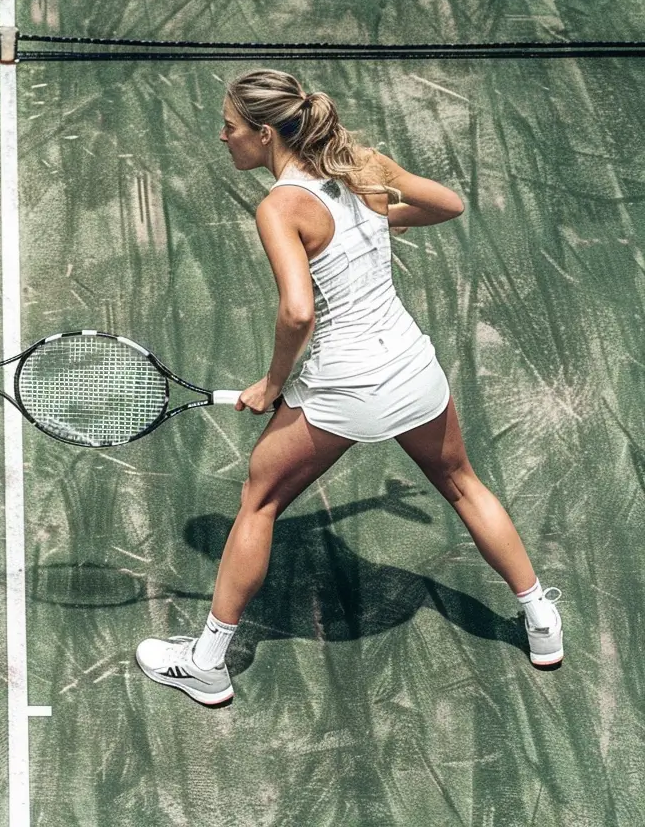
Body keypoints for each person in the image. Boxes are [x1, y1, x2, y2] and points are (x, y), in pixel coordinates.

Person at [136, 69, 563, 706]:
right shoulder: (360, 165)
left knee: (258, 499)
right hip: (414, 371)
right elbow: (449, 204)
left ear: (261, 133)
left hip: (345, 389)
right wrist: (378, 223)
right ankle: (539, 620)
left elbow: (298, 312)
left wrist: (273, 383)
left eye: (228, 128)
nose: (221, 138)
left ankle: (207, 662)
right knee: (462, 482)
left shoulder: (279, 206)